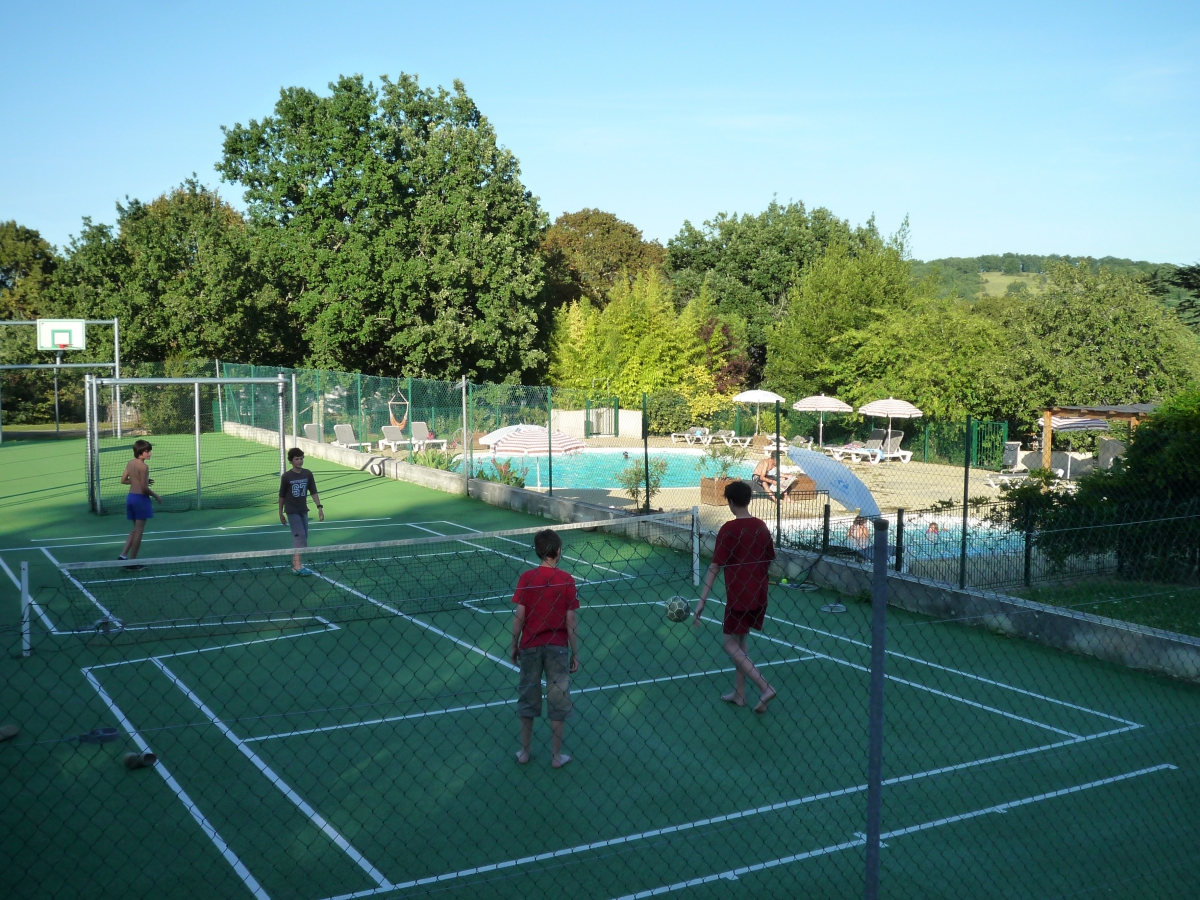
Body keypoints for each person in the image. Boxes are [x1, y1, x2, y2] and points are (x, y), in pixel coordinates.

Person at [692, 480, 778, 713]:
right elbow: (769, 558)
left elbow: (714, 567)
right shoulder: (760, 526)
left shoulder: (729, 529)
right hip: (759, 594)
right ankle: (740, 694)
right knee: (741, 641)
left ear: (730, 502)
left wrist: (701, 602)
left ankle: (765, 686)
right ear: (748, 500)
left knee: (729, 644)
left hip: (739, 596)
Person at [510, 529, 579, 768]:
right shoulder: (567, 579)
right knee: (558, 701)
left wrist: (514, 644)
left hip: (529, 646)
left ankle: (525, 751)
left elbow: (520, 614)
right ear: (558, 552)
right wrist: (575, 653)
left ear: (538, 552)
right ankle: (555, 756)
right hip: (558, 648)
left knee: (527, 699)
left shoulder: (527, 578)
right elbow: (571, 619)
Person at [279, 448, 324, 575]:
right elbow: (281, 496)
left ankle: (295, 564)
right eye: (297, 459)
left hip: (303, 510)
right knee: (300, 536)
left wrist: (319, 507)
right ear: (291, 461)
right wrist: (280, 512)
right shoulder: (286, 477)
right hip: (292, 511)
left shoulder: (307, 474)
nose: (300, 461)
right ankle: (297, 567)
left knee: (303, 538)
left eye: (301, 458)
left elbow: (313, 491)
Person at [119, 440, 161, 566]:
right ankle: (133, 562)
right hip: (141, 500)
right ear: (140, 452)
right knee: (139, 531)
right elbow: (144, 489)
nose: (150, 453)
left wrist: (139, 481)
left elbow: (123, 480)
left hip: (131, 498)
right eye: (147, 451)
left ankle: (123, 555)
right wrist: (156, 496)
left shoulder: (130, 463)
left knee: (136, 529)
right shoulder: (144, 467)